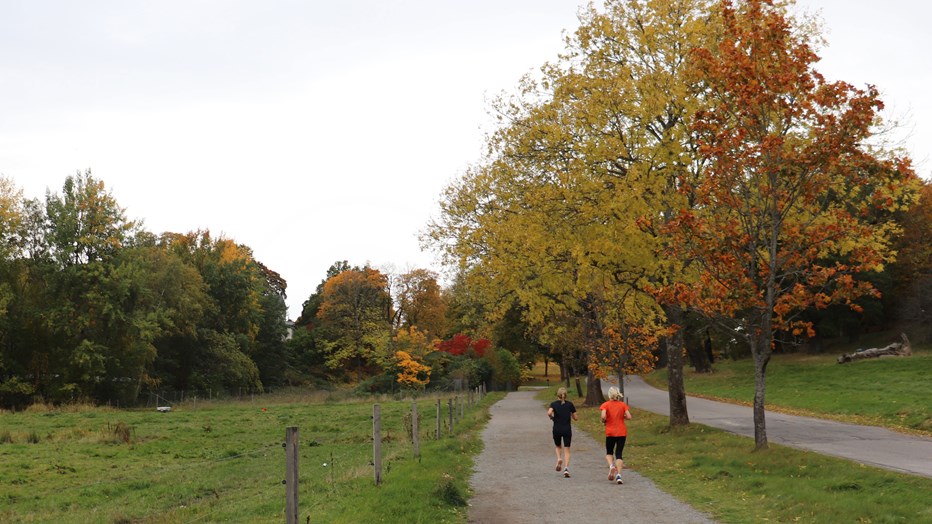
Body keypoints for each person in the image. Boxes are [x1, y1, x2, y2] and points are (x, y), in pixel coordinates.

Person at [600, 386, 632, 484]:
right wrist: (623, 416)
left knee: (609, 452)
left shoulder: (605, 405)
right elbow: (629, 416)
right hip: (621, 432)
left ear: (609, 395)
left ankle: (611, 466)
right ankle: (619, 475)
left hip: (610, 432)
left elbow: (603, 415)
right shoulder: (622, 405)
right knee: (619, 454)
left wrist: (603, 420)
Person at [547, 387, 578, 478]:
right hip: (567, 429)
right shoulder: (570, 404)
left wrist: (552, 418)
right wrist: (572, 415)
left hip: (557, 428)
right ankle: (566, 468)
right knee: (567, 449)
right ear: (565, 395)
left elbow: (549, 413)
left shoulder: (553, 404)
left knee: (558, 446)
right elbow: (576, 418)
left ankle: (559, 458)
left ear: (558, 395)